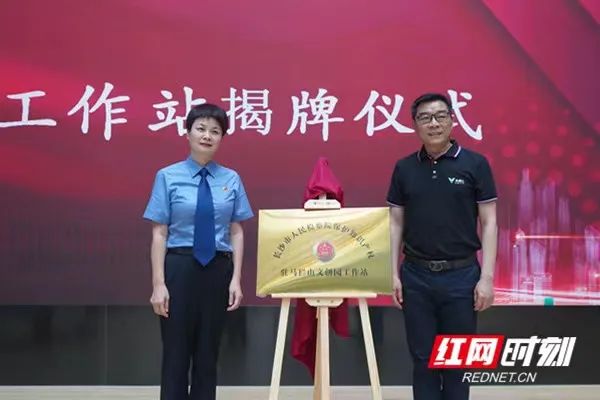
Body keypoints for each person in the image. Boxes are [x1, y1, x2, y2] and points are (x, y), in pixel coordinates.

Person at [386, 93, 497, 400]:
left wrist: (487, 277)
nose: (433, 123)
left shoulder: (475, 164)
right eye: (425, 118)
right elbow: (395, 223)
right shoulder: (404, 168)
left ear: (452, 120)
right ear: (415, 125)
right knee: (423, 361)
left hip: (462, 276)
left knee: (457, 362)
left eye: (440, 116)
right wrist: (392, 274)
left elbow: (489, 222)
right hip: (416, 276)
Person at [143, 103, 254, 400]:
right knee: (176, 354)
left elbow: (236, 230)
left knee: (208, 353)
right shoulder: (167, 176)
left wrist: (236, 279)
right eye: (201, 129)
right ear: (188, 133)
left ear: (221, 138)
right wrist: (158, 284)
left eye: (215, 131)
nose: (207, 136)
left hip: (217, 270)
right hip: (179, 268)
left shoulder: (231, 179)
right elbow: (159, 233)